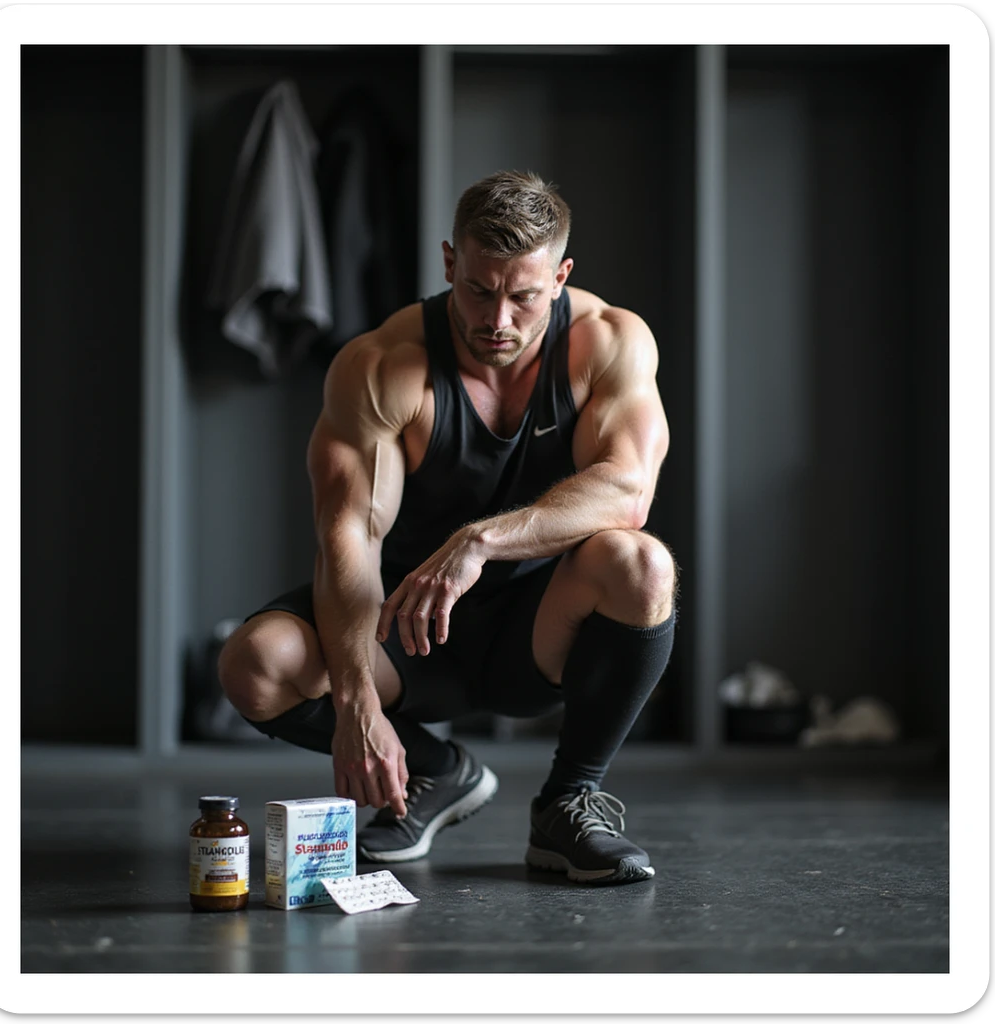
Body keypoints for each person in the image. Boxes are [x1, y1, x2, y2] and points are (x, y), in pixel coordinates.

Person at [219, 170, 676, 885]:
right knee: (254, 664)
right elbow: (349, 540)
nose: (497, 319)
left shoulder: (606, 343)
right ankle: (437, 772)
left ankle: (566, 804)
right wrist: (356, 707)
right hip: (404, 628)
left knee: (643, 566)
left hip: (539, 629)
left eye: (523, 296)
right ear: (449, 263)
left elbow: (628, 490)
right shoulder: (383, 366)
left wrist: (479, 541)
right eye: (478, 289)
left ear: (560, 276)